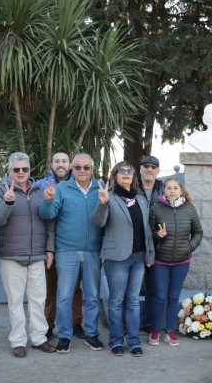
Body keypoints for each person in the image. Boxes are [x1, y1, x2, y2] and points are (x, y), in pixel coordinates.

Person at [0, 152, 57, 357]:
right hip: (12, 255)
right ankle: (18, 341)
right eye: (16, 169)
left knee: (38, 299)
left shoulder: (41, 190)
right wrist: (7, 203)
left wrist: (50, 249)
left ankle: (39, 338)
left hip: (37, 254)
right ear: (9, 171)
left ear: (29, 170)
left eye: (24, 169)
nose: (20, 173)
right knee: (16, 301)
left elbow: (50, 221)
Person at [39, 153, 105, 354]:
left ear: (92, 170)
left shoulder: (100, 189)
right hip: (66, 250)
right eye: (78, 168)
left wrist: (105, 203)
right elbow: (46, 214)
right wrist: (48, 201)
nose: (82, 171)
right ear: (71, 169)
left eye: (86, 168)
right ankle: (65, 335)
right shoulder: (62, 189)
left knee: (93, 296)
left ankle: (92, 334)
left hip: (93, 251)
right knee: (64, 295)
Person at [90, 160, 155, 357]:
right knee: (116, 300)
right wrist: (102, 204)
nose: (126, 173)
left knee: (133, 300)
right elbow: (97, 222)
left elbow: (146, 230)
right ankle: (116, 341)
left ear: (134, 176)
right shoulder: (108, 197)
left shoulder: (141, 199)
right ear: (115, 175)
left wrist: (149, 253)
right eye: (121, 171)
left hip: (138, 256)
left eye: (129, 170)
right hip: (116, 257)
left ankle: (134, 342)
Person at [148, 178, 203, 347]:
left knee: (173, 297)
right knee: (160, 297)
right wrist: (159, 235)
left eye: (175, 188)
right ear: (163, 191)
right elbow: (149, 234)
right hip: (160, 261)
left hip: (181, 261)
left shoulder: (189, 209)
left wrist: (189, 247)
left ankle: (170, 331)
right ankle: (155, 330)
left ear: (181, 190)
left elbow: (198, 232)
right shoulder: (156, 209)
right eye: (169, 188)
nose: (172, 191)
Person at [35, 149, 84, 340]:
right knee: (51, 286)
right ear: (51, 165)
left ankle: (76, 322)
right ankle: (48, 323)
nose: (61, 164)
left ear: (70, 165)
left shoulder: (79, 184)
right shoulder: (41, 186)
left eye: (64, 161)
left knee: (75, 287)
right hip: (50, 244)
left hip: (72, 245)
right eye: (57, 161)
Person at [137, 154, 164, 333]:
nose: (149, 169)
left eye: (153, 167)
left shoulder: (163, 189)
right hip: (136, 243)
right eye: (145, 166)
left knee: (153, 288)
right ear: (140, 169)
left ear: (158, 171)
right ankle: (127, 323)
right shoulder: (132, 186)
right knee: (130, 288)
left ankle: (147, 324)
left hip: (157, 244)